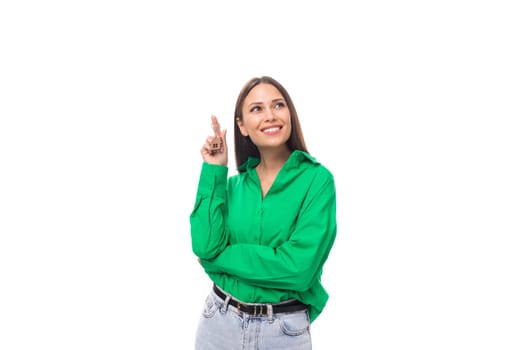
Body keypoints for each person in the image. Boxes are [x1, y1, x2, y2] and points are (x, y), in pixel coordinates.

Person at [190, 76, 337, 349]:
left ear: (289, 114)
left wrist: (217, 261)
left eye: (278, 105)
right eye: (257, 109)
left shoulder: (318, 181)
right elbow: (203, 244)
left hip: (281, 331)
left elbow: (298, 269)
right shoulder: (232, 186)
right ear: (242, 126)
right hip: (218, 323)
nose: (270, 115)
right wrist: (214, 169)